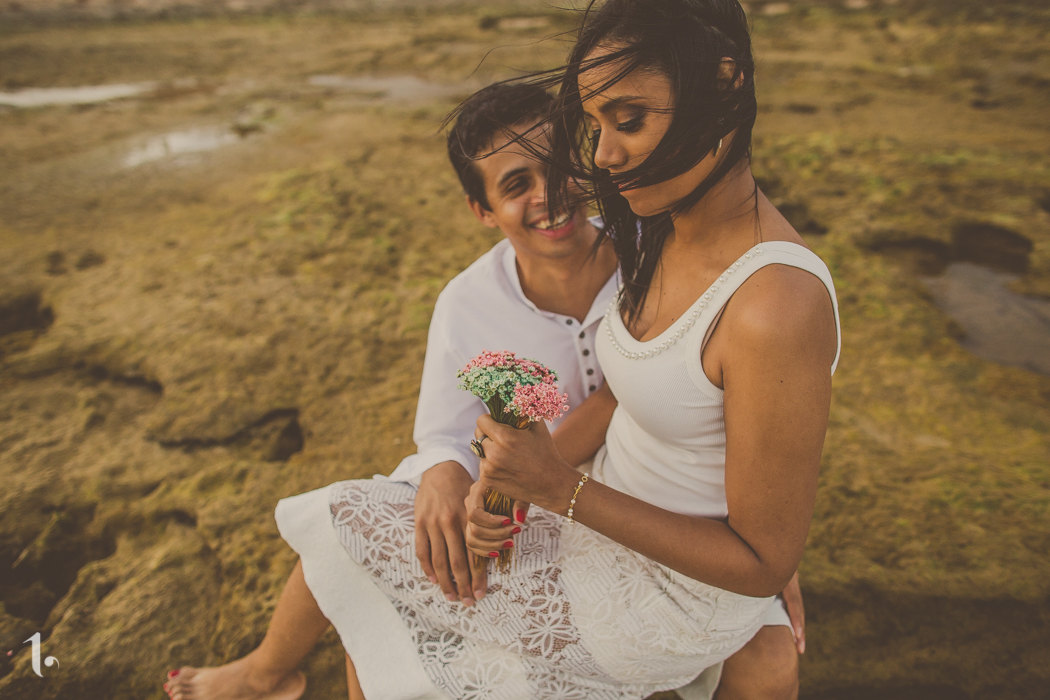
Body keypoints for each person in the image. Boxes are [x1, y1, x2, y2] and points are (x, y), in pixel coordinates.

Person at [164, 72, 810, 700]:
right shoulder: (468, 303)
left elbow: (744, 402)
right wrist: (444, 474)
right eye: (516, 184)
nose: (548, 195)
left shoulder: (653, 255)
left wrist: (768, 543)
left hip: (655, 498)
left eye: (558, 167)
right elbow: (443, 431)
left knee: (770, 659)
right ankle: (266, 672)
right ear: (483, 210)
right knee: (377, 543)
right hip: (528, 499)